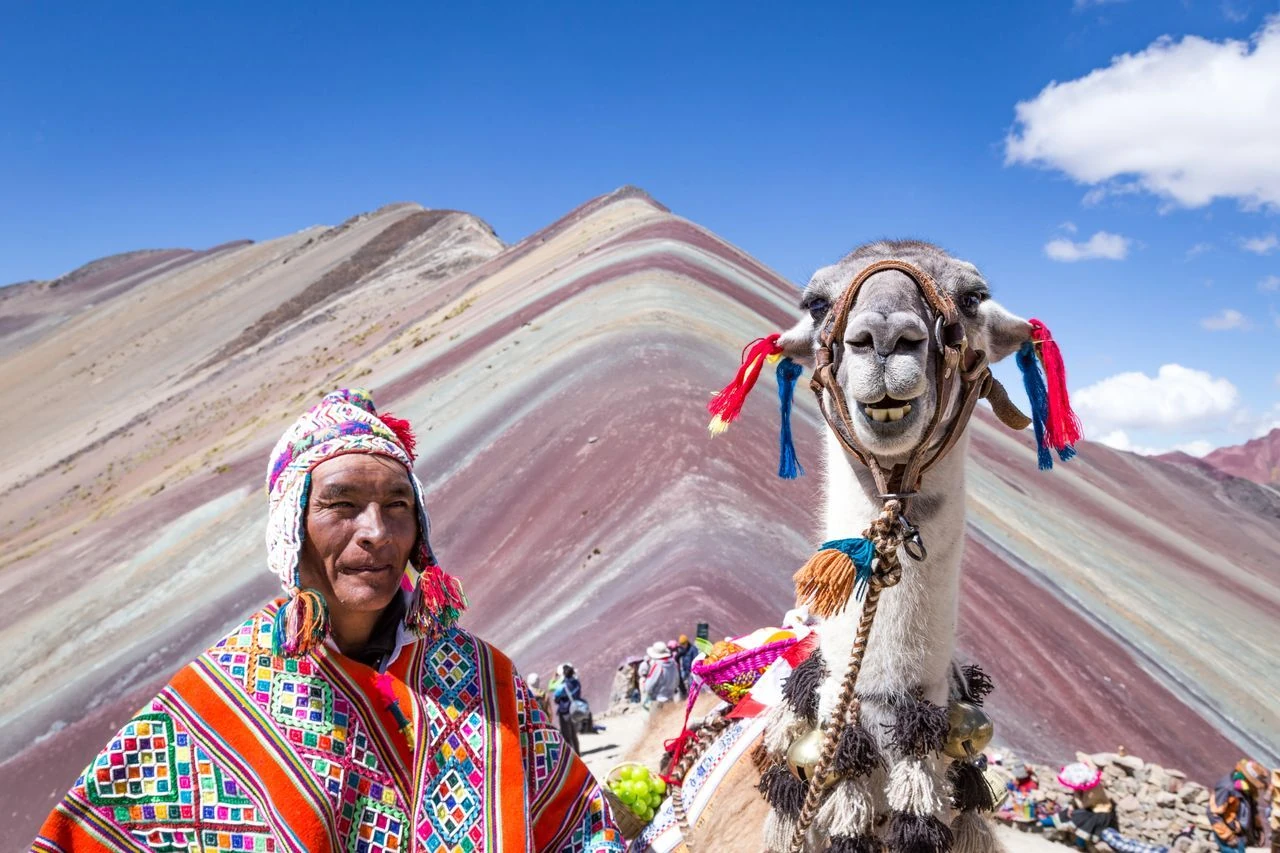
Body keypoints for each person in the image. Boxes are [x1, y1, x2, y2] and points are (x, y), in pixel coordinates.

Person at [32, 389, 621, 851]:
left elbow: (575, 831)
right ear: (292, 527)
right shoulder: (223, 701)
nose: (376, 531)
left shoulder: (484, 682)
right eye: (341, 505)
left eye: (398, 506)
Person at [1208, 758, 1269, 852]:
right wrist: (1228, 837)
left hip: (1241, 834)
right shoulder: (1227, 788)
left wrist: (1258, 828)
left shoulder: (1248, 789)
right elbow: (1213, 813)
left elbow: (1253, 809)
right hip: (1230, 834)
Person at [554, 663, 585, 753]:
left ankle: (571, 755)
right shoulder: (576, 682)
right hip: (575, 710)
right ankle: (578, 753)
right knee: (574, 734)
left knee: (567, 735)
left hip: (565, 712)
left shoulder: (562, 686)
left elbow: (556, 699)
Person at [639, 641, 679, 709]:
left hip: (658, 700)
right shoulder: (673, 664)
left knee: (655, 719)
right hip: (670, 699)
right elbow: (677, 681)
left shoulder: (657, 666)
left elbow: (649, 686)